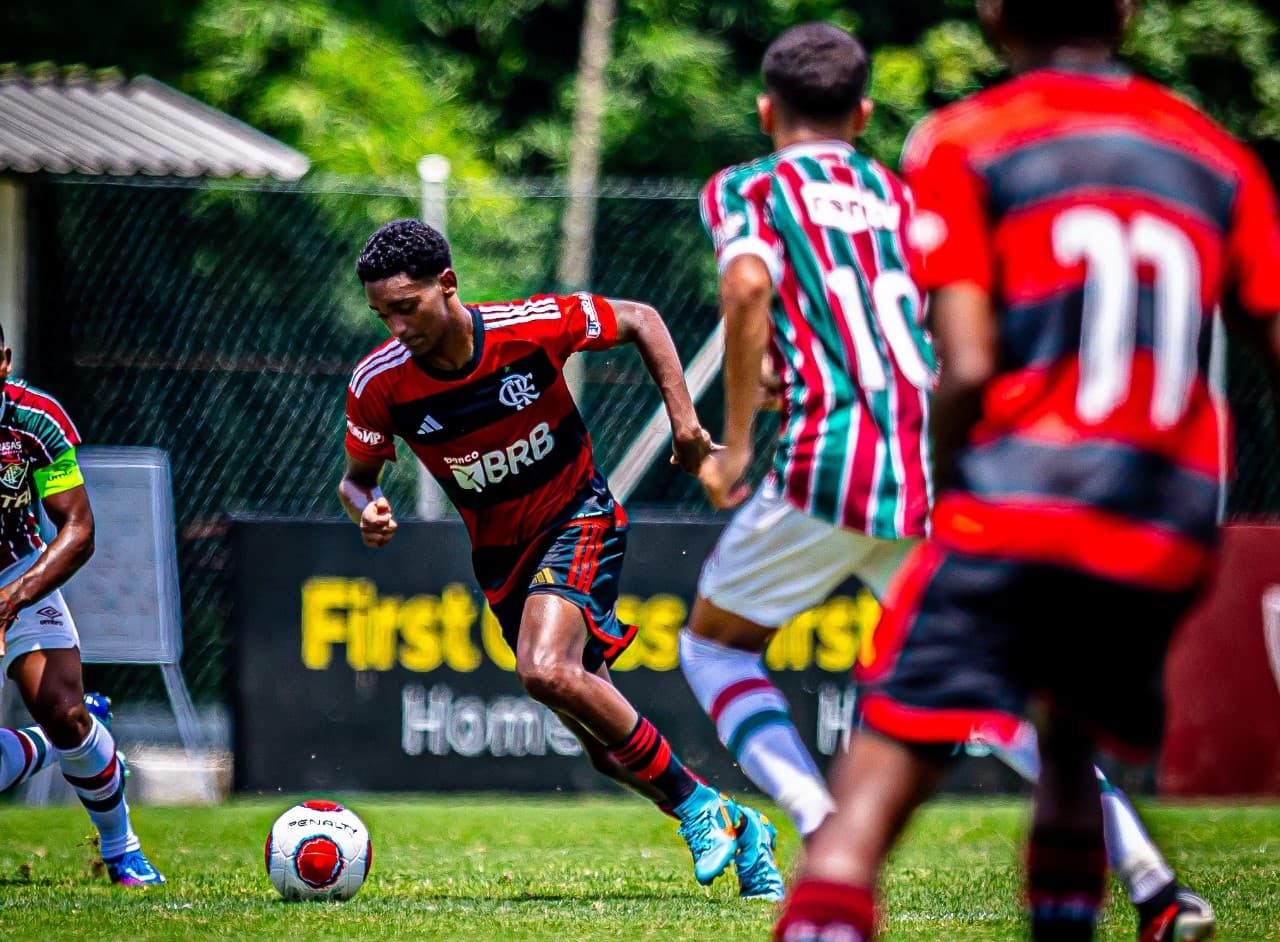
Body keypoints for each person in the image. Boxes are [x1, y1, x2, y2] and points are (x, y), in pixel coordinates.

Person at [685, 19, 1208, 924]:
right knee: (989, 693)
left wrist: (734, 444)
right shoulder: (894, 189)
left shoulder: (748, 185)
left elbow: (746, 289)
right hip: (926, 456)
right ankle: (1153, 877)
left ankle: (819, 830)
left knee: (714, 645)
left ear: (767, 108)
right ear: (866, 111)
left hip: (832, 457)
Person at [338, 218, 783, 896]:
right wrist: (363, 507)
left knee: (544, 669)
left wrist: (686, 426)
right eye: (382, 313)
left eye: (407, 306)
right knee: (607, 750)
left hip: (579, 516)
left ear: (447, 286)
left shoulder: (529, 324)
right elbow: (356, 477)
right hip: (501, 558)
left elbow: (641, 319)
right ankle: (743, 830)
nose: (395, 326)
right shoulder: (380, 383)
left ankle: (699, 812)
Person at [0, 330, 164, 885]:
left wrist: (14, 598)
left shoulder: (34, 421)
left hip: (15, 573)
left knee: (68, 714)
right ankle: (40, 746)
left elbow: (79, 529)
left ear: (3, 363)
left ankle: (123, 852)